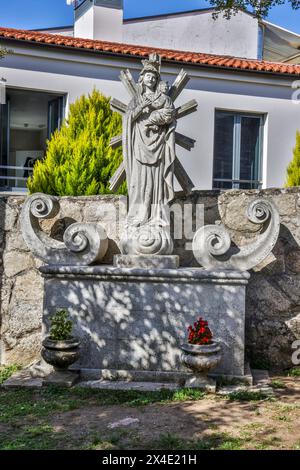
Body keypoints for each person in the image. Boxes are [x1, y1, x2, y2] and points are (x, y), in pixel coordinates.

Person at [123, 56, 176, 229]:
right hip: (140, 144)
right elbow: (128, 119)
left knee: (157, 180)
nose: (151, 78)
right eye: (148, 75)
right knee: (141, 181)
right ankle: (140, 214)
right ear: (142, 78)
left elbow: (170, 115)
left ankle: (156, 215)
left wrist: (155, 119)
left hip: (159, 144)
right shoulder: (136, 100)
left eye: (154, 76)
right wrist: (140, 108)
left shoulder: (165, 99)